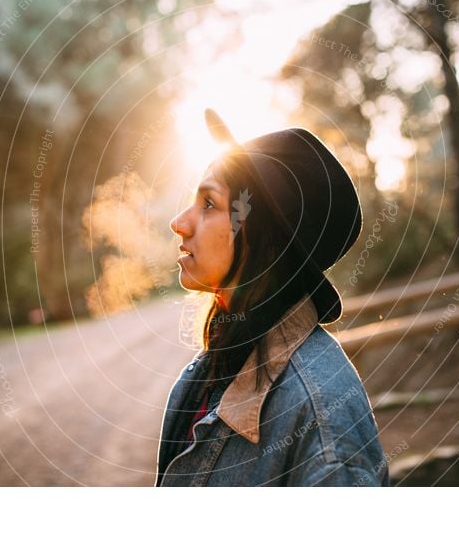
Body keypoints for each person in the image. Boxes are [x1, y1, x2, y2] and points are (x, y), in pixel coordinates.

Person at [155, 109, 389, 487]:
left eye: (209, 204)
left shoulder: (321, 425)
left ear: (265, 239)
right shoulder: (213, 366)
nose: (179, 223)